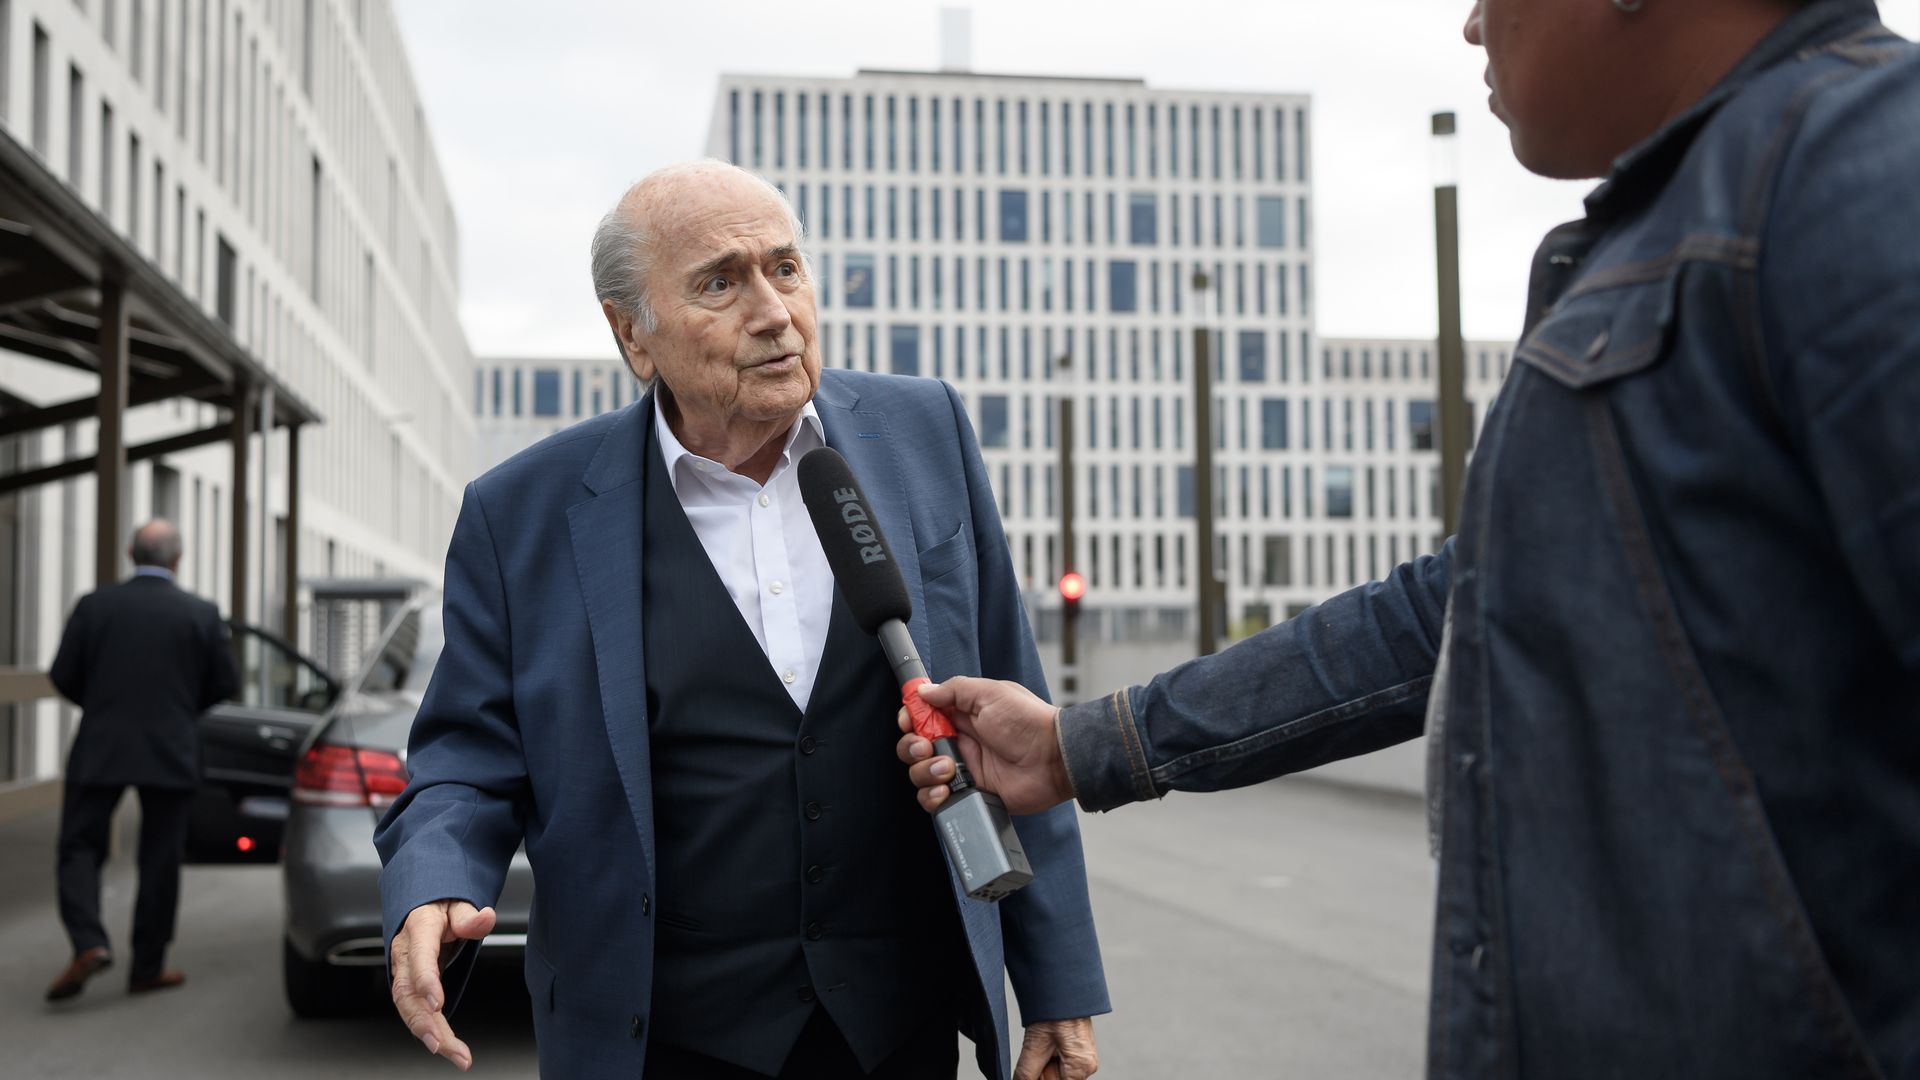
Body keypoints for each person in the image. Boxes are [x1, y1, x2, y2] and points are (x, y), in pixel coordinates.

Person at [898, 1, 1920, 1077]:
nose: (1475, 24)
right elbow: (1447, 610)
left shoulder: (1866, 173)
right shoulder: (1671, 239)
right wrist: (1080, 743)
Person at [375, 161, 1108, 1080]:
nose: (773, 311)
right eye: (720, 282)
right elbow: (465, 761)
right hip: (657, 1041)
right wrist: (434, 882)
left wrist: (1059, 986)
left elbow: (1015, 712)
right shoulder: (520, 513)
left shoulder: (925, 432)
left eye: (785, 268)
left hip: (897, 1030)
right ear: (631, 335)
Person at [45, 519, 239, 1001]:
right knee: (160, 857)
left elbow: (63, 674)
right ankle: (147, 967)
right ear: (178, 559)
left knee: (79, 846)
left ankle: (88, 943)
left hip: (101, 744)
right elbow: (225, 683)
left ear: (131, 553)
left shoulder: (95, 606)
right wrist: (178, 710)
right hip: (171, 747)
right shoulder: (200, 612)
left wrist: (103, 705)